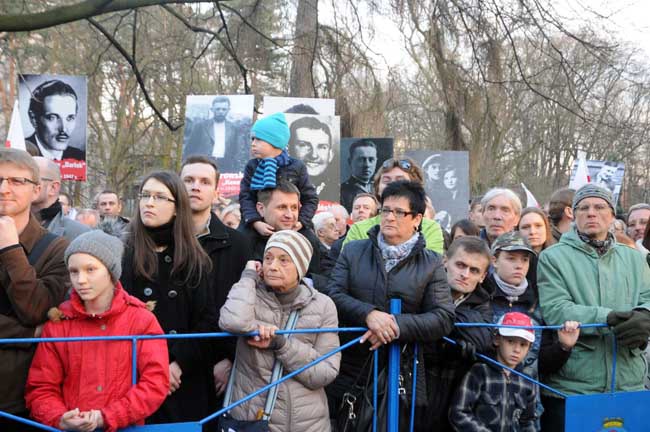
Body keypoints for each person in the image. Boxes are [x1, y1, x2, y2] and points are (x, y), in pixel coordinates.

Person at [326, 180, 455, 421]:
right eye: (386, 210)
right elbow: (334, 294)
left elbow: (443, 316)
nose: (389, 218)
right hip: (352, 364)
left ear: (417, 219)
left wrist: (394, 326)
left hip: (402, 371)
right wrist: (369, 315)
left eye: (399, 212)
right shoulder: (353, 250)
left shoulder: (431, 263)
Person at [25, 230, 169, 432]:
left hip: (124, 427)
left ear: (110, 271)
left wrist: (109, 416)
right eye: (74, 271)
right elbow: (41, 387)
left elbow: (155, 383)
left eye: (90, 269)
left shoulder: (141, 320)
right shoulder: (59, 324)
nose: (80, 279)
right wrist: (59, 418)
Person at [538, 184, 650, 430]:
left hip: (628, 385)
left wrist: (645, 316)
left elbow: (647, 297)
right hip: (574, 388)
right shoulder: (552, 257)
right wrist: (606, 317)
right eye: (583, 207)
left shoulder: (634, 258)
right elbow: (556, 309)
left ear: (611, 215)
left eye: (599, 207)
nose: (591, 213)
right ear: (573, 214)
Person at [120, 171, 219, 424]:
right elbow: (119, 319)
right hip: (133, 377)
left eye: (160, 197)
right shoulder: (123, 254)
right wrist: (154, 368)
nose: (149, 203)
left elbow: (207, 321)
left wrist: (177, 364)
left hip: (182, 379)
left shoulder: (196, 260)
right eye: (145, 195)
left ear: (177, 208)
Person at [219, 230, 340, 432]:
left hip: (306, 424)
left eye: (284, 260)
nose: (272, 266)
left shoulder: (323, 305)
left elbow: (325, 372)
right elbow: (233, 321)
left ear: (300, 266)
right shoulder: (250, 293)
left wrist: (281, 344)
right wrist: (248, 275)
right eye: (268, 258)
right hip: (252, 419)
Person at [0, 148, 69, 431]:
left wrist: (10, 248)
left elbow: (36, 309)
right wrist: (29, 332)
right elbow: (34, 323)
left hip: (22, 400)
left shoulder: (56, 248)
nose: (4, 189)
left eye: (16, 181)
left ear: (36, 189)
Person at [179, 156, 251, 399]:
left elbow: (247, 305)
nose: (195, 186)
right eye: (188, 180)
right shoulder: (158, 241)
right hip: (166, 367)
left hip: (217, 369)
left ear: (216, 191)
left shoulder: (239, 244)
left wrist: (230, 359)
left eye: (204, 181)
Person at [420, 236, 492, 431]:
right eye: (460, 265)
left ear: (483, 276)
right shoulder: (423, 291)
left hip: (457, 396)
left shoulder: (483, 303)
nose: (465, 274)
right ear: (445, 261)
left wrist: (441, 317)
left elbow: (483, 340)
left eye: (474, 270)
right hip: (418, 391)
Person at [449, 312, 537, 431]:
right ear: (497, 339)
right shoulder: (479, 372)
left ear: (529, 348)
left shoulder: (527, 381)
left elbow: (528, 421)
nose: (517, 350)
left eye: (523, 345)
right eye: (510, 341)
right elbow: (458, 412)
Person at [343, 158, 445, 255]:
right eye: (386, 181)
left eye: (400, 180)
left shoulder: (430, 229)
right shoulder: (359, 229)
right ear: (377, 188)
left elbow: (429, 267)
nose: (393, 185)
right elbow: (349, 266)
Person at [239, 113, 319, 233]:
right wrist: (255, 222)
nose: (253, 143)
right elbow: (246, 197)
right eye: (253, 139)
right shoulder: (252, 166)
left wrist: (301, 222)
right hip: (257, 224)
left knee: (313, 246)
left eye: (259, 139)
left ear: (275, 142)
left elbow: (310, 199)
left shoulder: (297, 167)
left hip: (293, 225)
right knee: (241, 241)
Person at [240, 181, 322, 277]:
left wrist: (306, 283)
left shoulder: (308, 239)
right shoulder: (242, 242)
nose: (289, 215)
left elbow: (326, 274)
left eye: (294, 208)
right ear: (261, 209)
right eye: (282, 207)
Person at [183, 96, 250, 173]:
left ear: (228, 110)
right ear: (212, 109)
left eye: (224, 109)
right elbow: (190, 148)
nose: (221, 111)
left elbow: (236, 151)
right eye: (218, 109)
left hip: (225, 166)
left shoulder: (234, 128)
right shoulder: (200, 126)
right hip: (203, 164)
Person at [31, 157, 89, 242]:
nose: (21, 185)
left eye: (32, 180)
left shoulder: (80, 235)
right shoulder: (8, 226)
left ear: (53, 188)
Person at [24, 80, 85, 161]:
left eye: (70, 118)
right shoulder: (20, 153)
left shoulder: (80, 158)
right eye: (52, 117)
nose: (63, 129)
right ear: (33, 119)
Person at [288, 116, 338, 201]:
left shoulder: (337, 192)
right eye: (303, 145)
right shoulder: (275, 187)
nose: (314, 155)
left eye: (322, 147)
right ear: (289, 150)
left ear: (330, 155)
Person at [340, 139, 378, 212]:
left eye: (371, 160)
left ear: (376, 161)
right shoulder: (342, 193)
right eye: (361, 160)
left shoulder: (379, 189)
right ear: (350, 161)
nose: (367, 165)